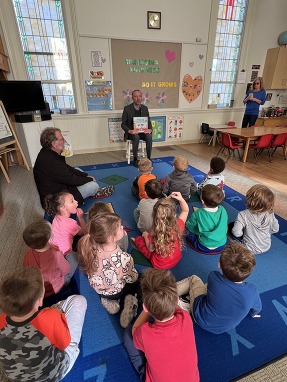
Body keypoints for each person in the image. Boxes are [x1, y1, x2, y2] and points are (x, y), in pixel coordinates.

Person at [0, 267, 87, 381]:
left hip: (18, 378)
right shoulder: (50, 317)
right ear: (40, 300)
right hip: (57, 372)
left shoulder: (1, 322)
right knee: (78, 301)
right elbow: (64, 344)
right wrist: (57, 315)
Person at [124, 268, 199, 382]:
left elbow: (135, 331)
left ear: (145, 307)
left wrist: (147, 310)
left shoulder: (144, 333)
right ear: (176, 299)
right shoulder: (185, 317)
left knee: (128, 335)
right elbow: (175, 307)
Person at [176, 242, 262, 334]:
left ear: (219, 265)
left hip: (200, 316)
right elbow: (257, 307)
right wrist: (253, 314)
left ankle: (166, 294)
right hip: (223, 329)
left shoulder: (213, 277)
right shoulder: (252, 290)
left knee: (194, 279)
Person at [78, 213, 139, 328]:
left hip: (102, 291)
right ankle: (131, 300)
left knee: (109, 288)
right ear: (111, 238)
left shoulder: (89, 249)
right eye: (120, 226)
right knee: (139, 279)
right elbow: (131, 278)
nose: (122, 227)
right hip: (119, 289)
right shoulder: (124, 258)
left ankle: (110, 302)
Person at [34, 127, 114, 207]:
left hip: (59, 187)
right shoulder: (50, 161)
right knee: (93, 185)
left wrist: (84, 175)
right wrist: (88, 179)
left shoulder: (47, 152)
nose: (64, 141)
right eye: (62, 139)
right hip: (56, 202)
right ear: (54, 144)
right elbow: (70, 179)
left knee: (77, 170)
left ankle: (90, 192)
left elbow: (66, 168)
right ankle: (94, 192)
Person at [131, 192, 189, 269]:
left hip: (159, 264)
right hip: (176, 258)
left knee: (139, 240)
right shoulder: (178, 225)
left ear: (154, 215)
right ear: (173, 214)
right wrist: (181, 199)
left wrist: (145, 236)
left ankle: (136, 241)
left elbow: (150, 249)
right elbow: (185, 211)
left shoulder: (155, 231)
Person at [22, 220, 78, 297]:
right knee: (72, 256)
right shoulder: (56, 255)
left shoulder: (28, 254)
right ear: (49, 239)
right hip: (57, 288)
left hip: (42, 291)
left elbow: (26, 269)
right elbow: (66, 270)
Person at [230, 184, 279, 254]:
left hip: (248, 249)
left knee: (230, 227)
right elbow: (275, 229)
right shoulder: (270, 213)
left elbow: (236, 233)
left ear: (249, 200)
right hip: (266, 246)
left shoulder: (243, 214)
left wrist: (244, 233)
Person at [186, 184, 228, 253]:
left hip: (203, 246)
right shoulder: (223, 210)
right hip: (222, 244)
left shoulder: (198, 213)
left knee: (188, 232)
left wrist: (187, 224)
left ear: (202, 201)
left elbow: (190, 226)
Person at [121, 90, 153, 167]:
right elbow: (123, 124)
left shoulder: (145, 108)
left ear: (141, 97)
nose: (138, 98)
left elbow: (148, 121)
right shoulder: (127, 108)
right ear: (132, 98)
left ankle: (149, 158)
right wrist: (129, 131)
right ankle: (135, 159)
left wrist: (150, 129)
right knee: (136, 136)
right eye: (135, 96)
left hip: (142, 132)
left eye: (139, 96)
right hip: (132, 133)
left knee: (149, 136)